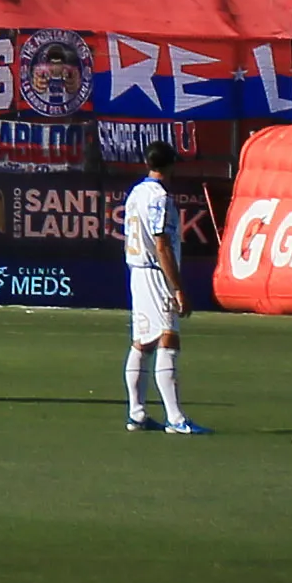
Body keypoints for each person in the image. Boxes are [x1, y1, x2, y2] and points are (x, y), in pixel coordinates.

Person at [119, 148, 207, 433]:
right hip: (156, 274)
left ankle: (137, 413)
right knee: (168, 339)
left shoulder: (135, 193)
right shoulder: (160, 197)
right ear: (170, 166)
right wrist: (178, 287)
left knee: (142, 343)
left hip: (137, 271)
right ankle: (176, 418)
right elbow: (162, 244)